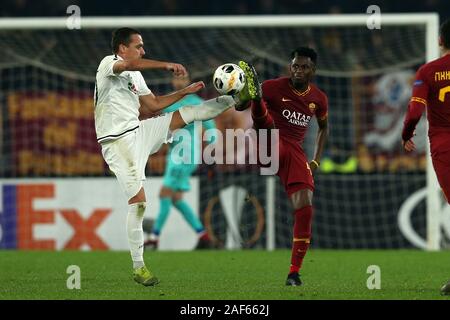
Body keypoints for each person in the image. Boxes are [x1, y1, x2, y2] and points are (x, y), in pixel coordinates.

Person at [94, 27, 259, 286]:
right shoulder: (108, 63)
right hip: (117, 142)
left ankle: (236, 99)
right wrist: (165, 65)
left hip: (139, 131)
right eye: (138, 46)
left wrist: (185, 92)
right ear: (123, 48)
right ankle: (139, 267)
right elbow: (129, 64)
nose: (143, 50)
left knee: (191, 112)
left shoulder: (135, 77)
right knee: (138, 203)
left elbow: (154, 105)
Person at [237, 47, 329, 286]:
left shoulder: (318, 99)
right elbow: (238, 107)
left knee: (305, 206)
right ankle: (257, 98)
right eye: (295, 66)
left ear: (313, 70)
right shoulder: (273, 86)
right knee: (267, 125)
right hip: (267, 144)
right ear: (290, 66)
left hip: (294, 151)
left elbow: (323, 128)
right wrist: (249, 96)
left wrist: (316, 159)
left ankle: (294, 273)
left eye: (304, 67)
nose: (298, 70)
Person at [401, 19, 450, 296]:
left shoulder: (428, 71)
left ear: (440, 40)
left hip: (445, 144)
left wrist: (406, 134)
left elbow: (414, 112)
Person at [143, 75, 217, 250]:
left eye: (182, 78)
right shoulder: (173, 102)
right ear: (172, 82)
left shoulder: (196, 103)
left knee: (164, 194)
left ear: (188, 82)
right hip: (178, 156)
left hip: (182, 156)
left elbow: (212, 130)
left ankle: (153, 238)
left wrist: (210, 153)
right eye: (176, 78)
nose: (178, 81)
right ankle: (203, 236)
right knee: (176, 199)